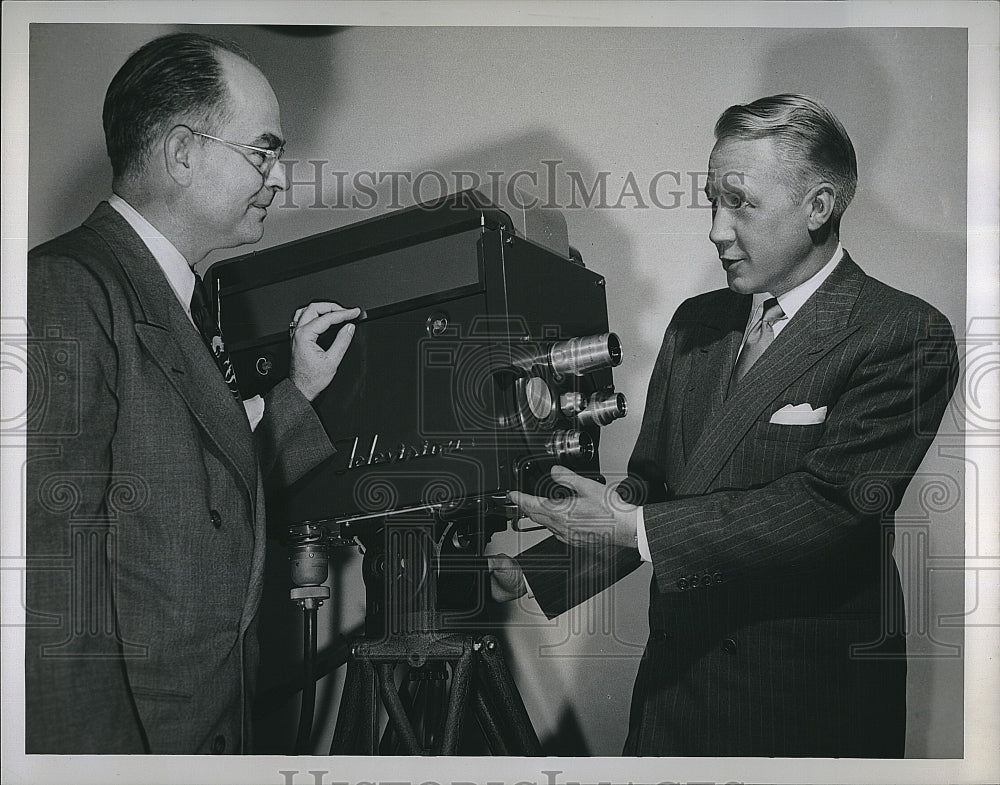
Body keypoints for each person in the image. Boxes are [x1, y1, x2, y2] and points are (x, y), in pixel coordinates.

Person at [497, 94, 959, 757]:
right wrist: (543, 567)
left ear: (818, 207)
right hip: (677, 695)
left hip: (805, 709)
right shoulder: (696, 323)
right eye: (712, 201)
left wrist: (630, 525)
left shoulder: (903, 332)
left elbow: (828, 507)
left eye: (740, 203)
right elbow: (655, 489)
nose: (716, 229)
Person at [25, 32, 360, 754]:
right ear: (182, 153)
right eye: (263, 153)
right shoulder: (65, 288)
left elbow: (204, 497)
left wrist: (298, 390)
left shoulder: (180, 302)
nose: (278, 178)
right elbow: (48, 587)